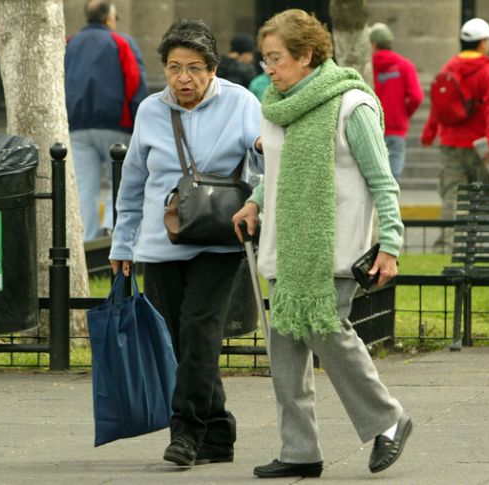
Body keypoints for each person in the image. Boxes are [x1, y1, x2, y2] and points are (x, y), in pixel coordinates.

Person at [231, 9, 410, 478]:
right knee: (285, 352)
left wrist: (390, 244)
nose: (267, 67)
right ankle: (299, 450)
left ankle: (388, 420)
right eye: (265, 58)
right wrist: (255, 201)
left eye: (276, 58)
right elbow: (279, 172)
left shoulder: (352, 104)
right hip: (285, 247)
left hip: (331, 248)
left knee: (328, 333)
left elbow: (383, 181)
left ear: (307, 55)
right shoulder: (277, 104)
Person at [109, 18, 262, 467]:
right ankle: (219, 432)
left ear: (213, 68)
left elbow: (261, 159)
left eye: (194, 68)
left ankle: (187, 433)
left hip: (220, 237)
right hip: (162, 243)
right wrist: (123, 243)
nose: (184, 79)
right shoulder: (151, 110)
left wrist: (261, 148)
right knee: (181, 342)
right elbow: (133, 182)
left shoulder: (240, 102)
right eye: (174, 68)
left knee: (200, 332)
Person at [65, 0, 149, 241]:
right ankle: (115, 234)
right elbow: (134, 83)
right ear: (109, 17)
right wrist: (139, 121)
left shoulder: (69, 44)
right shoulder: (121, 42)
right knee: (121, 184)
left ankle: (88, 240)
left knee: (84, 186)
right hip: (116, 124)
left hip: (77, 125)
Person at [421, 17, 489, 253]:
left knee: (452, 196)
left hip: (451, 143)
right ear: (483, 43)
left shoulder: (449, 67)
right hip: (482, 146)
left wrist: (430, 132)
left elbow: (439, 103)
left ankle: (447, 247)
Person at [369, 23, 423, 182]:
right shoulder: (405, 66)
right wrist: (404, 113)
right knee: (393, 177)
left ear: (373, 44)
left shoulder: (367, 66)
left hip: (371, 127)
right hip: (396, 129)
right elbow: (416, 97)